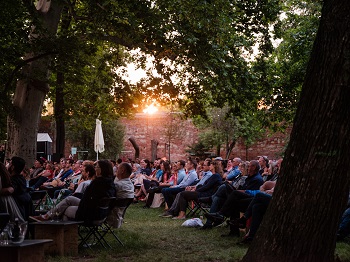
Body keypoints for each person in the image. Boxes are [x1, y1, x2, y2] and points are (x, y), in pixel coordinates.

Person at [30, 159, 116, 223]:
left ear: (102, 169)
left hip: (90, 214)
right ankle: (48, 217)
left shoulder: (97, 183)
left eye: (96, 167)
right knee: (69, 199)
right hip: (102, 213)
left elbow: (87, 199)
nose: (95, 169)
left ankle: (61, 231)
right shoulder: (110, 183)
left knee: (66, 209)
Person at [203, 160, 264, 232]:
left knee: (232, 194)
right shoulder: (249, 177)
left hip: (248, 201)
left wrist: (241, 191)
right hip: (239, 197)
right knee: (218, 197)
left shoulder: (257, 179)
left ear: (254, 167)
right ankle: (209, 223)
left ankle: (220, 214)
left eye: (249, 166)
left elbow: (253, 194)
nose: (247, 168)